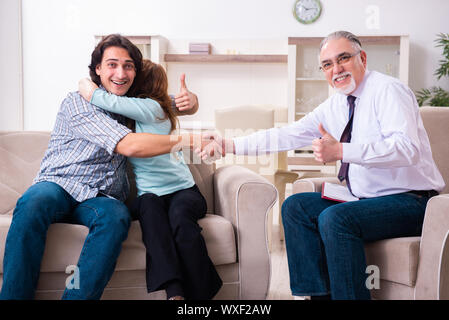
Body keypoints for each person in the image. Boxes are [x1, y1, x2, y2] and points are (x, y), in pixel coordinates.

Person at [199, 31, 445, 300]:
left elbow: (406, 149)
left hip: (413, 202)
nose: (336, 69)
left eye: (343, 59)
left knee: (336, 218)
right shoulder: (336, 104)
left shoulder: (388, 91)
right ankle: (316, 297)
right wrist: (229, 145)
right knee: (296, 206)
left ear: (362, 57)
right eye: (327, 64)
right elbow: (287, 134)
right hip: (365, 200)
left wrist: (341, 150)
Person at [0, 34, 202, 300]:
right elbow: (128, 145)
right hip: (59, 184)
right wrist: (185, 139)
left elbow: (170, 104)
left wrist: (192, 101)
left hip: (101, 196)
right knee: (33, 203)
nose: (121, 73)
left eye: (128, 66)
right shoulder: (79, 102)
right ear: (97, 69)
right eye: (112, 64)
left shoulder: (134, 103)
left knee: (116, 217)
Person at [77, 59, 222, 300]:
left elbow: (106, 99)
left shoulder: (152, 107)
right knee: (151, 213)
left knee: (180, 221)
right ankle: (175, 293)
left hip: (184, 191)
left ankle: (200, 295)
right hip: (151, 195)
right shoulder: (139, 110)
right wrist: (192, 102)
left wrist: (86, 84)